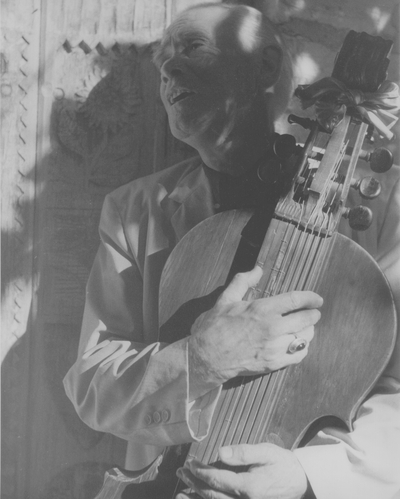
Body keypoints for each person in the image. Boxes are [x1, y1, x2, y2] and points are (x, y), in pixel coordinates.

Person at [63, 3, 400, 499]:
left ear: (265, 67)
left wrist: (307, 475)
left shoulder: (379, 206)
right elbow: (92, 385)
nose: (169, 70)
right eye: (162, 65)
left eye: (192, 48)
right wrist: (199, 360)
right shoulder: (133, 211)